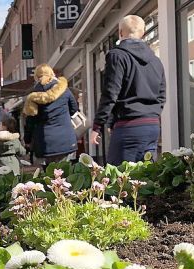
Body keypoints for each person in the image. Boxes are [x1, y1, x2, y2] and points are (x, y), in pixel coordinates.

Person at [90, 15, 166, 165]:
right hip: (152, 126)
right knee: (146, 176)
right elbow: (161, 94)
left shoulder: (117, 56)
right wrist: (152, 113)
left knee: (119, 178)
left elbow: (111, 93)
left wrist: (97, 125)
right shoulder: (155, 61)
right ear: (143, 33)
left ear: (120, 33)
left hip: (128, 126)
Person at [24, 65, 80, 165]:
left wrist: (27, 140)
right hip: (66, 139)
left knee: (49, 176)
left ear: (36, 77)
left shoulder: (32, 96)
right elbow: (74, 109)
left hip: (45, 143)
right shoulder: (64, 90)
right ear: (52, 74)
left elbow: (30, 122)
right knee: (66, 174)